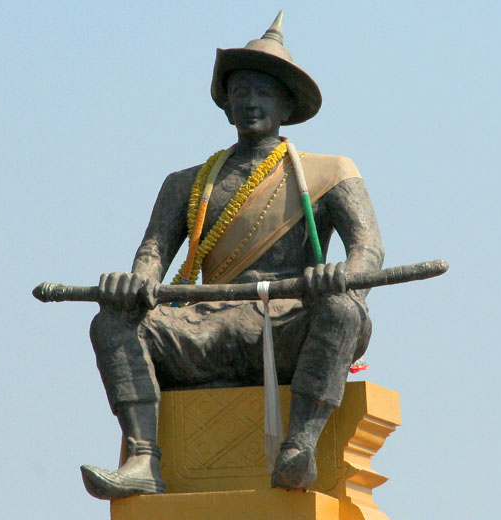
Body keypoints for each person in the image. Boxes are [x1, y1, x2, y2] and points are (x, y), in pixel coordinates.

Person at [80, 11, 383, 500]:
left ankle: (299, 447)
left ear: (286, 105)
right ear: (225, 106)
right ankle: (143, 457)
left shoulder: (329, 172)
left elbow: (368, 248)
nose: (250, 103)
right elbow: (153, 251)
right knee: (113, 321)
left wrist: (342, 277)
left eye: (263, 92)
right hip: (207, 327)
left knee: (344, 311)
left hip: (287, 323)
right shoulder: (186, 183)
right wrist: (135, 282)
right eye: (240, 92)